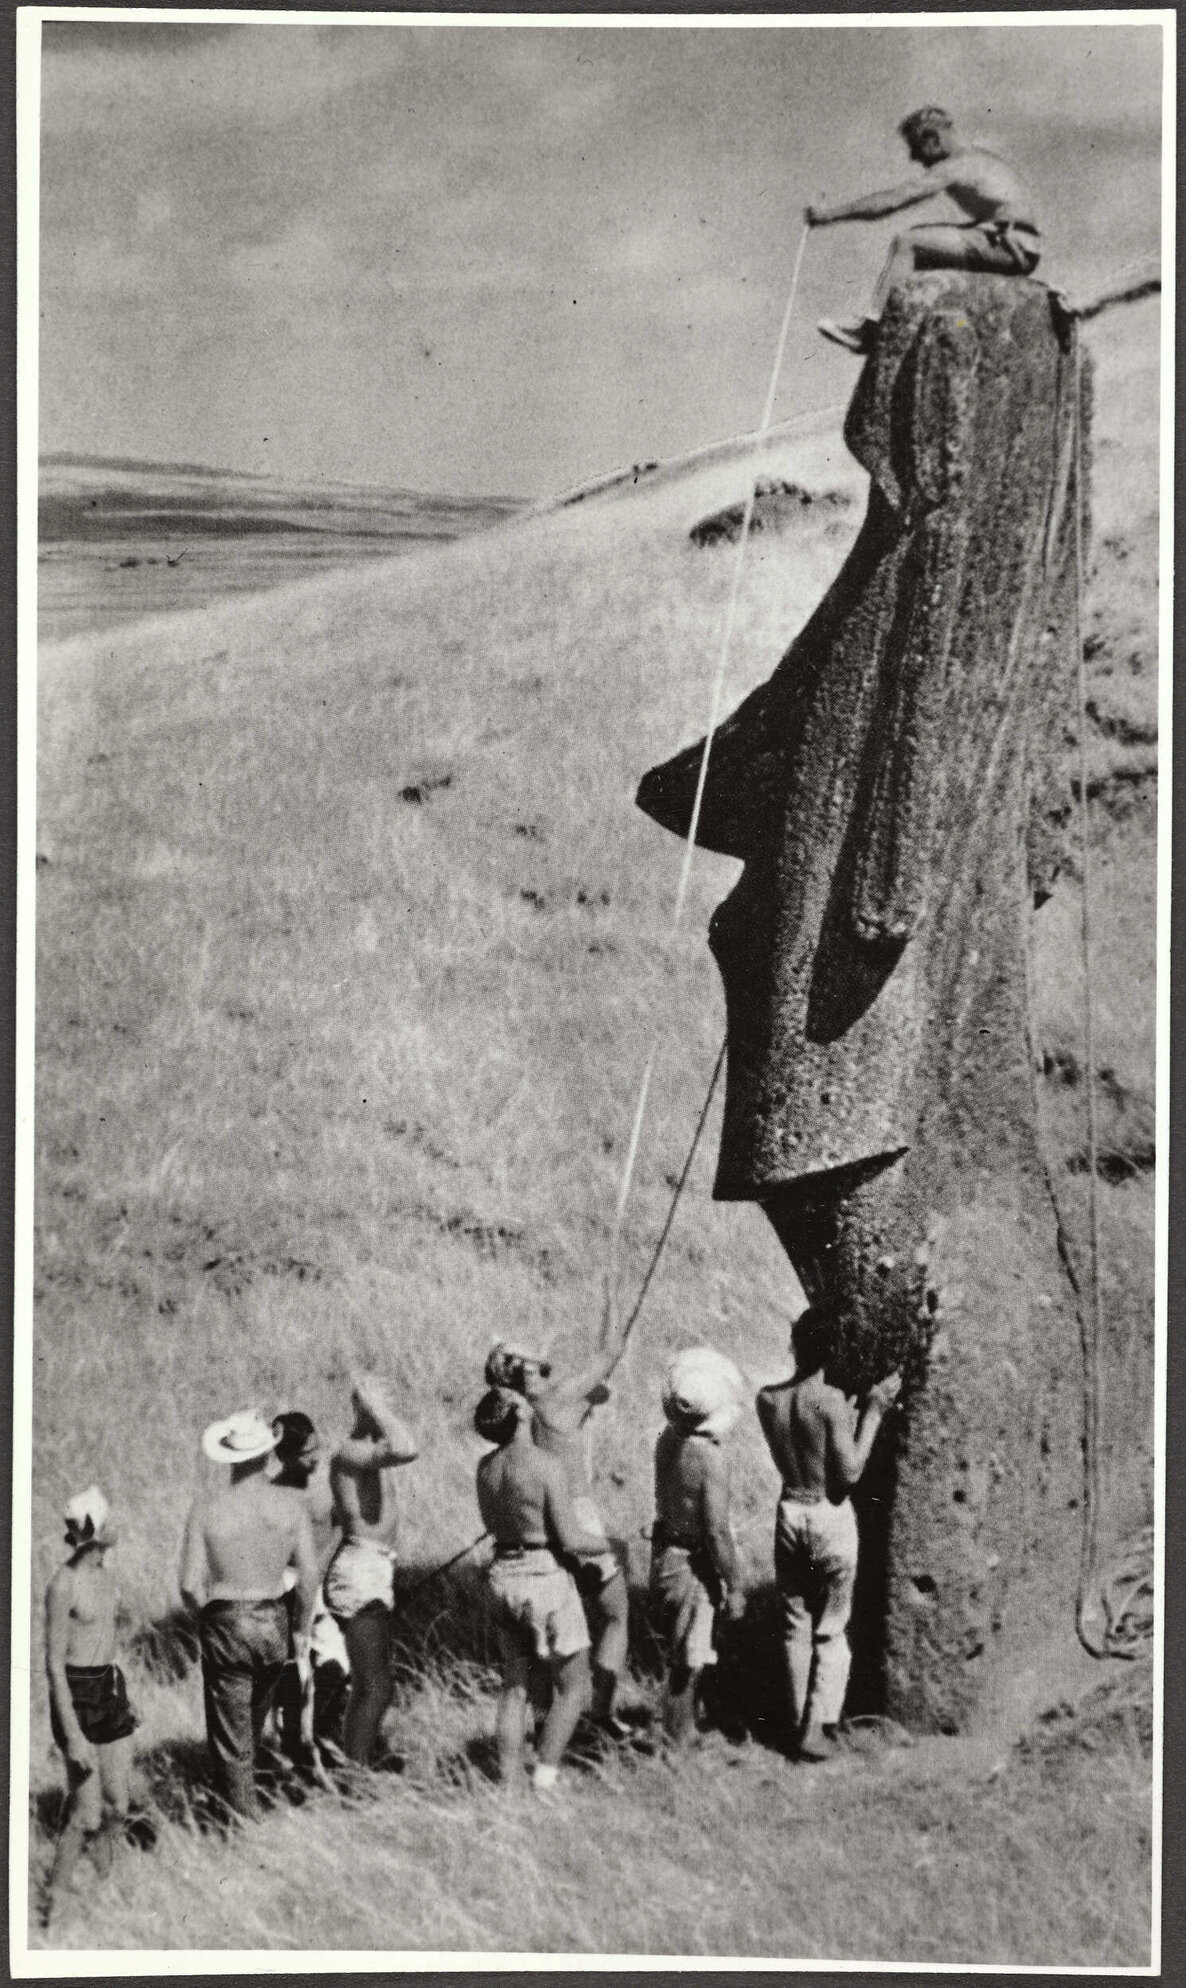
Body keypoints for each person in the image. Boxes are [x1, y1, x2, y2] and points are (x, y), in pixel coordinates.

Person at [756, 1307, 902, 1761]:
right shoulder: (831, 1402)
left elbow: (803, 1440)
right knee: (831, 1627)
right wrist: (873, 1413)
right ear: (834, 1350)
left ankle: (795, 1719)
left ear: (795, 1345)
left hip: (789, 1511)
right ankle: (815, 1730)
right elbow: (849, 1472)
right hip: (828, 1514)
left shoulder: (768, 1399)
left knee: (794, 1624)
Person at [485, 1287, 630, 1736]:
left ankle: (548, 1726)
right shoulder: (556, 1398)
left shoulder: (529, 1409)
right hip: (577, 1514)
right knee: (615, 1614)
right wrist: (612, 1298)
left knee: (548, 1639)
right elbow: (610, 1353)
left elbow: (597, 1390)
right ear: (524, 1369)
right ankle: (601, 1713)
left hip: (541, 1519)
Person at [806, 106, 1042, 353]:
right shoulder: (981, 159)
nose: (915, 158)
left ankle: (870, 332)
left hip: (1008, 244)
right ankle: (907, 332)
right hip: (1016, 244)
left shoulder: (956, 165)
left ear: (934, 139)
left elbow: (892, 201)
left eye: (917, 149)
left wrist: (829, 215)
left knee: (909, 242)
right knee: (927, 254)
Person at [474, 1383, 615, 1793]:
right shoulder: (545, 1464)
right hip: (543, 1577)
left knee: (514, 1686)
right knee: (575, 1685)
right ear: (518, 1414)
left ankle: (508, 1783)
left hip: (502, 1574)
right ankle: (546, 1779)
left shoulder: (486, 1468)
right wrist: (614, 1544)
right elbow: (571, 1538)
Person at [179, 1409, 318, 1820]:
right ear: (268, 1453)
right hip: (273, 1616)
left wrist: (204, 1620)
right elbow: (308, 1575)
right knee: (251, 1731)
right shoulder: (290, 1506)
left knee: (232, 1738)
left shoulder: (207, 1508)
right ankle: (236, 1809)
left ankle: (241, 1827)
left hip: (226, 1617)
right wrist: (301, 1629)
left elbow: (189, 1585)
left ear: (229, 1456)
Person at [41, 1487, 137, 1926]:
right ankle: (55, 1900)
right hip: (76, 1695)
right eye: (109, 1520)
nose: (118, 1525)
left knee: (118, 1805)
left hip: (108, 1689)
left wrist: (122, 1698)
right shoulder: (64, 1585)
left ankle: (106, 1885)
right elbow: (54, 1665)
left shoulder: (106, 1574)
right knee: (86, 1813)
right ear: (95, 1532)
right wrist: (72, 1733)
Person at [650, 1347, 746, 1749]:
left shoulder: (667, 1439)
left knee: (682, 1648)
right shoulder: (710, 1458)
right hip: (692, 1559)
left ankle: (678, 1729)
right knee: (689, 1655)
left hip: (666, 1551)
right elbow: (716, 1532)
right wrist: (736, 1584)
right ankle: (678, 1735)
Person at [324, 1374, 419, 1766]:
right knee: (375, 1686)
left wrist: (375, 1406)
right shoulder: (350, 1452)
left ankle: (356, 1761)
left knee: (373, 1683)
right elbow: (407, 1447)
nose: (391, 1408)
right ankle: (354, 1772)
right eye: (386, 1400)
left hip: (372, 1567)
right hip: (360, 1570)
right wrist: (374, 1406)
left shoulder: (366, 1452)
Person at [270, 1412, 349, 1768]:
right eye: (306, 1453)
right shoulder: (273, 1494)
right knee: (294, 1671)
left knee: (338, 1663)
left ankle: (322, 1735)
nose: (315, 1458)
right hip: (287, 1587)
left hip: (320, 1586)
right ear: (284, 1457)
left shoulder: (324, 1487)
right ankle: (295, 1748)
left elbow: (339, 1527)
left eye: (317, 1448)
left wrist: (318, 1567)